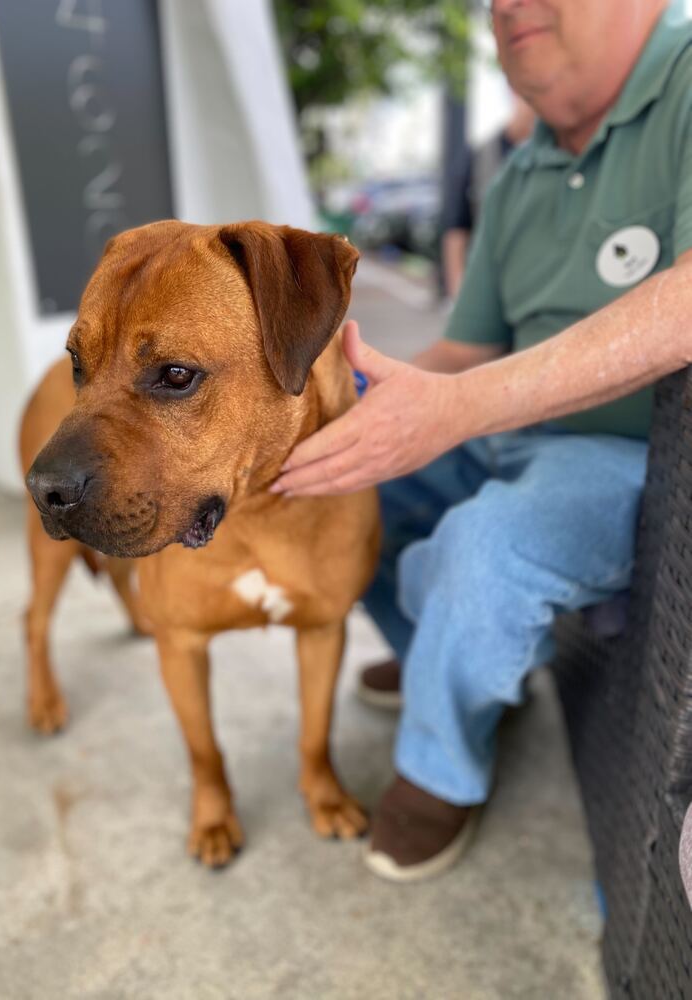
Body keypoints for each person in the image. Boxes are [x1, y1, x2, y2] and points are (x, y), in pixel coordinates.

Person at [271, 0, 692, 883]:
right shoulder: (517, 174)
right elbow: (466, 348)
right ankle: (453, 650)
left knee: (480, 551)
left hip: (626, 456)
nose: (504, 6)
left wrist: (459, 409)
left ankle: (438, 767)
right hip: (505, 436)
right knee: (338, 488)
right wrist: (361, 403)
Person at [442, 94, 535, 300]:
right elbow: (456, 230)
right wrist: (458, 295)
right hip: (487, 289)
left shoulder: (555, 154)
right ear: (514, 93)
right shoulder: (480, 156)